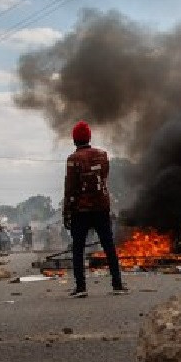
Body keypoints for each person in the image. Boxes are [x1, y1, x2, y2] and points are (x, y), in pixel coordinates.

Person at [63, 121, 126, 297]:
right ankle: (117, 284)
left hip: (80, 210)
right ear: (89, 137)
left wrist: (66, 212)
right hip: (101, 207)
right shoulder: (103, 155)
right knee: (108, 245)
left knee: (78, 248)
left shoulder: (73, 159)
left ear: (75, 139)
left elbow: (70, 188)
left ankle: (81, 287)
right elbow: (104, 178)